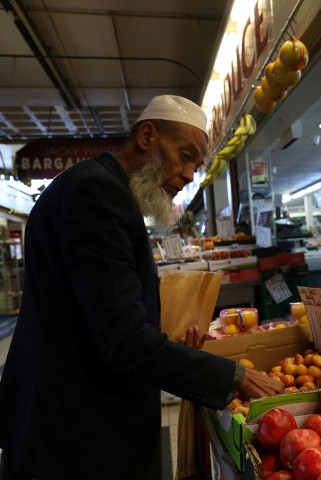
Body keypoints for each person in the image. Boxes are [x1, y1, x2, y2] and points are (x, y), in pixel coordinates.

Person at [0, 95, 284, 480]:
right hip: (74, 434)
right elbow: (124, 342)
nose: (188, 175)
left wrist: (162, 336)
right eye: (185, 156)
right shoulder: (97, 194)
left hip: (68, 417)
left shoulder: (99, 189)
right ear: (148, 136)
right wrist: (235, 377)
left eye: (195, 166)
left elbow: (92, 312)